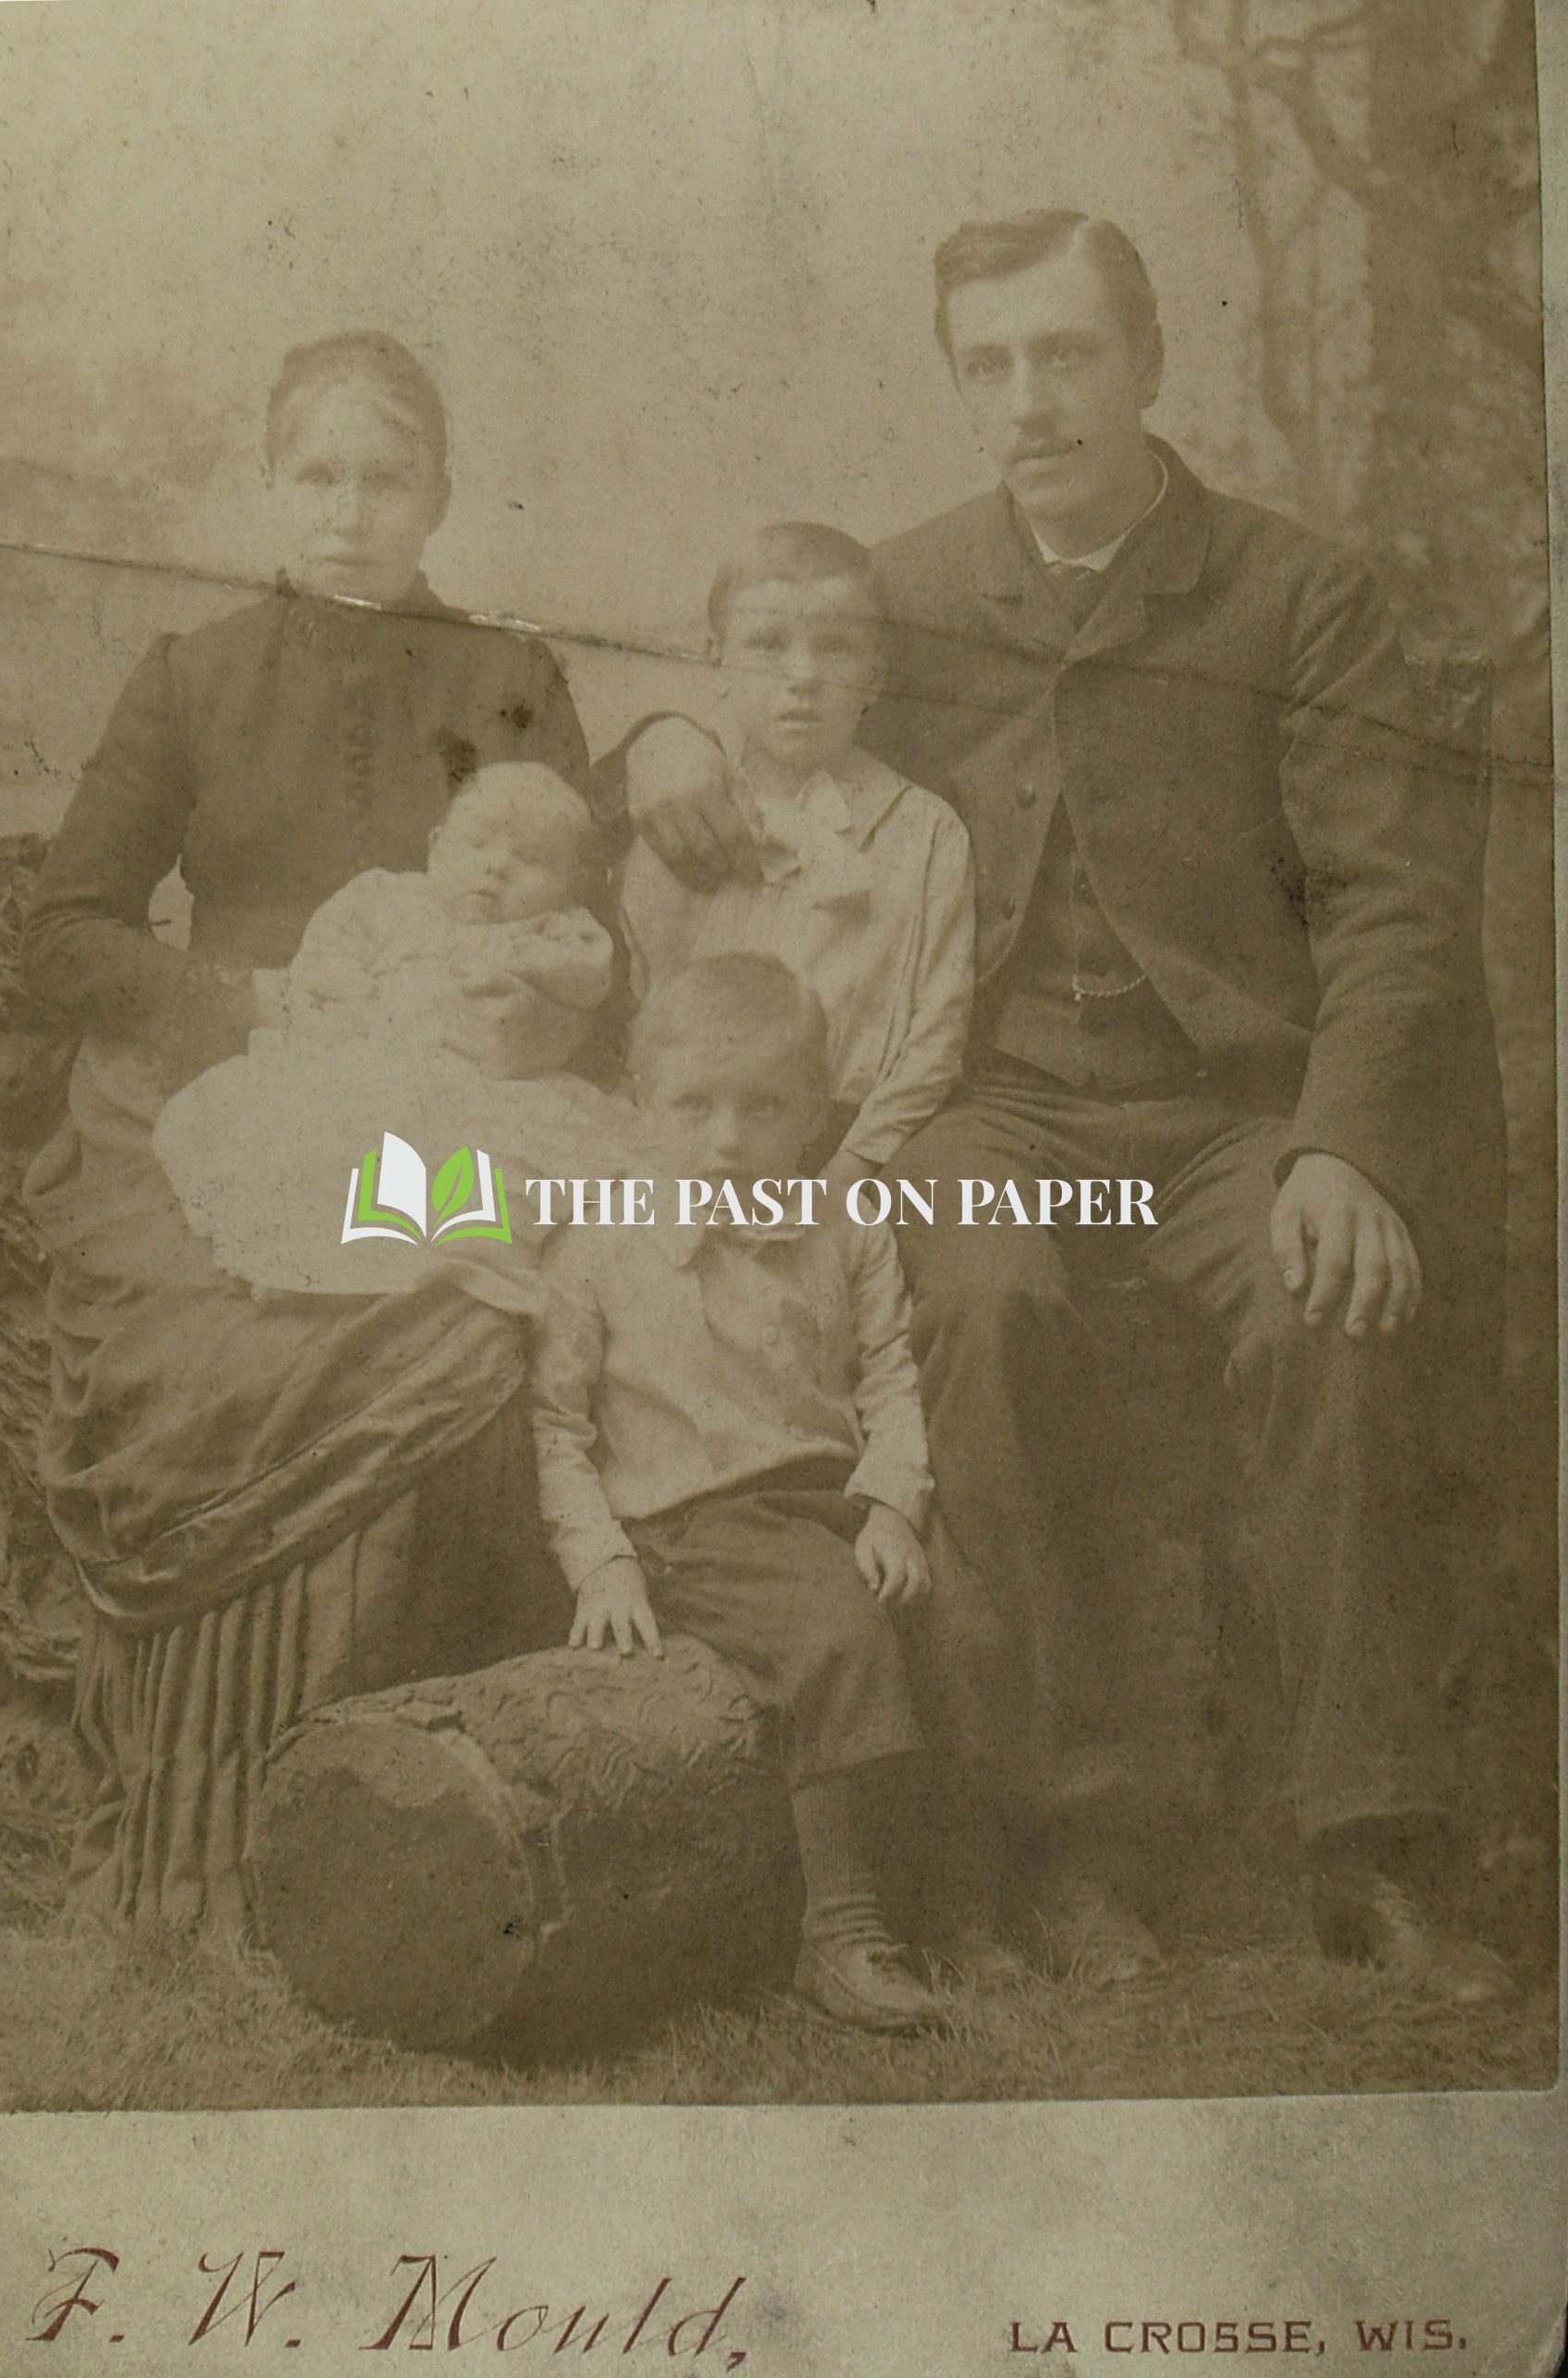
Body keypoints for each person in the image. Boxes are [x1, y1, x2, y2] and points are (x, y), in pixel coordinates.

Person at [613, 213, 1510, 2003]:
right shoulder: (915, 589)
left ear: (1149, 363)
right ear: (959, 381)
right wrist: (658, 745)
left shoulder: (1292, 590)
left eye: (1066, 355)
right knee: (980, 1297)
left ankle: (1375, 1852)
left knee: (1329, 1307)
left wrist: (1339, 1143)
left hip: (1235, 1111)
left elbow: (1397, 900)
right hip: (1000, 1107)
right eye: (989, 364)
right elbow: (755, 680)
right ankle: (1059, 1844)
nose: (1029, 400)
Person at [20, 329, 607, 1937]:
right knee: (229, 1352)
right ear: (271, 486)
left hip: (455, 1085)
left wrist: (497, 1019)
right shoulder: (191, 674)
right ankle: (203, 1837)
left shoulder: (512, 678)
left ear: (436, 497)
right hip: (226, 1098)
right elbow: (64, 934)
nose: (349, 512)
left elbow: (582, 932)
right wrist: (250, 1003)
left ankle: (420, 1824)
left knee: (468, 1302)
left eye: (385, 478)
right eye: (317, 476)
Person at [530, 955, 947, 2034]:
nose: (728, 1140)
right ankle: (842, 1930)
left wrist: (895, 1501)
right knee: (838, 1630)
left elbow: (891, 1377)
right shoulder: (600, 1243)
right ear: (642, 1103)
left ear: (815, 1109)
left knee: (969, 1618)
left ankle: (970, 1896)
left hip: (828, 1500)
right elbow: (559, 1427)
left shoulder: (844, 1230)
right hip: (688, 1521)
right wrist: (604, 1558)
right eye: (695, 1106)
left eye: (765, 1108)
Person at [153, 758, 625, 1300]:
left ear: (569, 886)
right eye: (477, 845)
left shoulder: (557, 932)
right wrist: (353, 1004)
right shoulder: (385, 900)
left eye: (532, 860)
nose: (497, 868)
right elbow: (325, 960)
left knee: (484, 1185)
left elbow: (587, 981)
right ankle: (290, 1265)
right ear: (436, 846)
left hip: (484, 1090)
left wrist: (521, 968)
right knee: (305, 1149)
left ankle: (413, 1271)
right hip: (367, 1060)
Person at [620, 523, 974, 1201]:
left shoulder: (925, 834)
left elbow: (934, 1039)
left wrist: (848, 1176)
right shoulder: (679, 812)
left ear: (876, 671)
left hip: (843, 1156)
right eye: (766, 645)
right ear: (713, 660)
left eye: (836, 648)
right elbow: (637, 998)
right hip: (675, 1153)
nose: (803, 677)